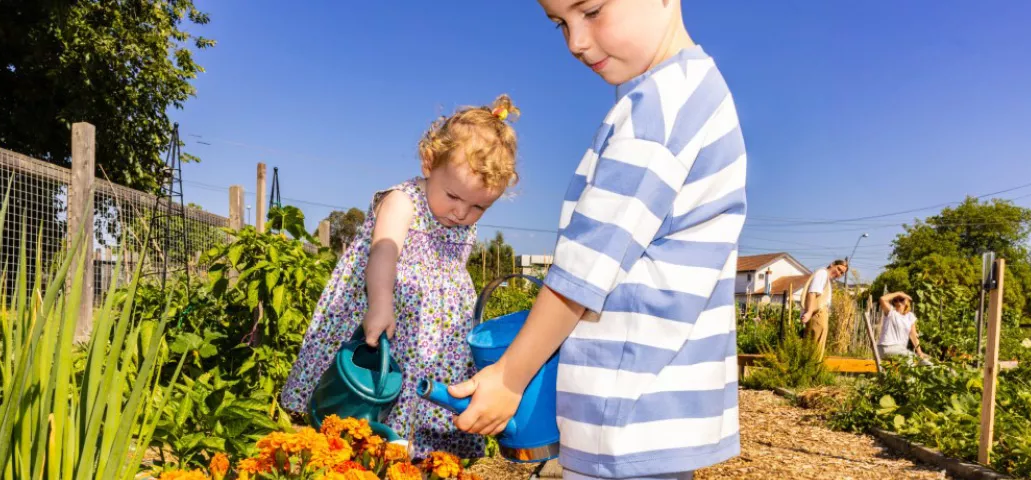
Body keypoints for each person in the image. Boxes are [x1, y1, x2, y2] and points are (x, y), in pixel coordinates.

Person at [448, 1, 748, 478]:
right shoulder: (684, 93)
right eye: (560, 24)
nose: (576, 41)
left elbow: (584, 269)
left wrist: (509, 376)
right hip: (650, 409)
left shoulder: (662, 108)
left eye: (590, 10)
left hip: (627, 407)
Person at [278, 95, 522, 459]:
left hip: (436, 338)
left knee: (423, 404)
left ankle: (413, 457)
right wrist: (380, 302)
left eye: (478, 207)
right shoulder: (403, 200)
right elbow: (384, 251)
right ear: (428, 163)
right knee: (368, 398)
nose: (461, 213)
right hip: (390, 312)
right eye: (454, 196)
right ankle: (360, 445)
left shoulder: (459, 217)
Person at [799, 259, 847, 355]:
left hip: (819, 314)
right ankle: (811, 369)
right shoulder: (822, 273)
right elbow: (812, 292)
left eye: (841, 273)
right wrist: (808, 312)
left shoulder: (826, 278)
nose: (839, 273)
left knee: (814, 349)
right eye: (838, 269)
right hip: (817, 314)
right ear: (832, 264)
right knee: (814, 351)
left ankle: (811, 368)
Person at [877, 291, 933, 366]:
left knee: (925, 361)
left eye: (901, 299)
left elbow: (913, 336)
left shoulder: (910, 316)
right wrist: (898, 294)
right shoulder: (891, 312)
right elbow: (882, 299)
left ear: (907, 301)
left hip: (899, 350)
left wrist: (919, 352)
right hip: (886, 347)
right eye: (895, 300)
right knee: (915, 362)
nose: (898, 302)